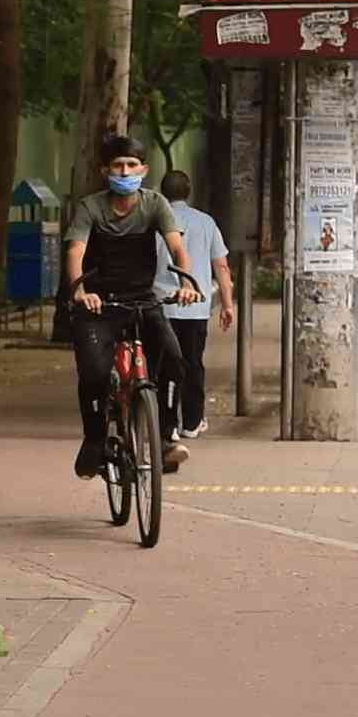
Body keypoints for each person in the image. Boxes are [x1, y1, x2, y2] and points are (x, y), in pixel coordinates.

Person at [63, 136, 201, 480]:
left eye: (131, 165)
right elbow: (75, 251)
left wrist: (186, 282)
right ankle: (95, 439)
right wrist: (80, 291)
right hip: (98, 303)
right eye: (117, 166)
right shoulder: (90, 207)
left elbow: (177, 247)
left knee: (173, 359)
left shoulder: (155, 205)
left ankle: (166, 438)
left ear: (143, 169)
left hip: (142, 299)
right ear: (105, 171)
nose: (124, 171)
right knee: (94, 373)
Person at [152, 171, 236, 440]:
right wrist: (226, 304)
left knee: (165, 366)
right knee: (192, 363)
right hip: (195, 307)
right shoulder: (206, 222)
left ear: (162, 192)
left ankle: (167, 425)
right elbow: (221, 266)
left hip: (161, 306)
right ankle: (192, 421)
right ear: (188, 191)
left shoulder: (154, 222)